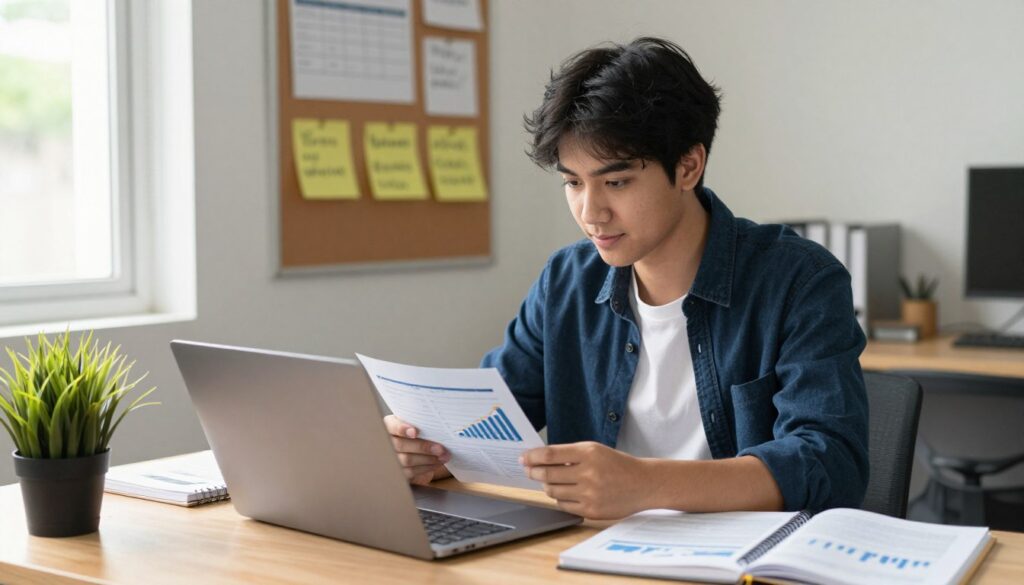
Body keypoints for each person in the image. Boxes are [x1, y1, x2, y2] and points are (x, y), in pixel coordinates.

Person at [384, 37, 868, 520]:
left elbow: (830, 462)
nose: (590, 212)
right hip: (593, 553)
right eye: (573, 182)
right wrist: (425, 451)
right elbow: (490, 422)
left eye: (615, 182)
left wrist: (647, 483)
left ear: (688, 166)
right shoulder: (566, 282)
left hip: (743, 561)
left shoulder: (800, 281)